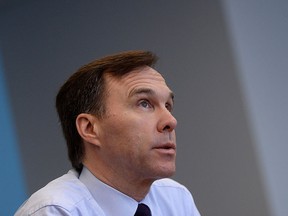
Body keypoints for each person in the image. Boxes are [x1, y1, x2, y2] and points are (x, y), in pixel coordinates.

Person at [15, 50, 200, 216]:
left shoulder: (176, 199)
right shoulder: (56, 210)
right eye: (144, 103)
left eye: (168, 106)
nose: (170, 121)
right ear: (90, 129)